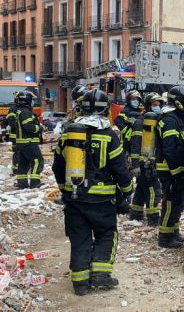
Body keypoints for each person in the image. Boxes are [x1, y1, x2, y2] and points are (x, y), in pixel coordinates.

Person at [52, 88, 134, 295]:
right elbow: (120, 169)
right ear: (106, 109)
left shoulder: (69, 135)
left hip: (74, 198)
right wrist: (127, 191)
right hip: (102, 200)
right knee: (107, 234)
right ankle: (100, 275)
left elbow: (57, 167)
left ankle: (80, 283)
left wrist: (65, 190)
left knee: (79, 238)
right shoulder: (109, 137)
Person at [155, 85, 184, 248]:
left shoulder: (176, 117)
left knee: (177, 201)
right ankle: (165, 236)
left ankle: (173, 231)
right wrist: (177, 173)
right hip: (169, 169)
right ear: (179, 102)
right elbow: (170, 149)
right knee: (170, 202)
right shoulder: (170, 120)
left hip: (173, 168)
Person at [129, 92, 164, 226]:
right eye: (155, 105)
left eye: (159, 105)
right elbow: (135, 144)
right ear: (149, 106)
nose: (158, 107)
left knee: (141, 190)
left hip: (150, 162)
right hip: (146, 163)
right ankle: (153, 218)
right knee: (153, 191)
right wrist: (135, 164)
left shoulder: (157, 122)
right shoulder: (140, 122)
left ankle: (136, 215)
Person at [4, 91, 43, 189]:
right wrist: (40, 128)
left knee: (23, 163)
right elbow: (28, 127)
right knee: (37, 161)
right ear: (28, 101)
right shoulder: (25, 112)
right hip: (29, 142)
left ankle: (22, 184)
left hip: (22, 142)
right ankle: (35, 183)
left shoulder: (19, 111)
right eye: (32, 100)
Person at [115, 90, 143, 156]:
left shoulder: (139, 111)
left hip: (137, 140)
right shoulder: (125, 111)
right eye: (133, 99)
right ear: (128, 100)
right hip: (127, 141)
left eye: (137, 99)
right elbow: (118, 121)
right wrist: (127, 131)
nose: (136, 101)